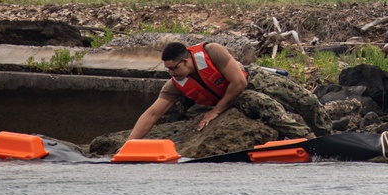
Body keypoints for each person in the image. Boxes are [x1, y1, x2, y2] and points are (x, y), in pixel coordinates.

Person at [127, 41, 331, 140]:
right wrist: (129, 146)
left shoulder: (211, 51)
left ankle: (328, 137)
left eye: (174, 68)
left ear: (186, 60)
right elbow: (152, 114)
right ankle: (307, 140)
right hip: (233, 98)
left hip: (248, 81)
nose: (171, 74)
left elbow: (239, 83)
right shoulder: (174, 84)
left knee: (308, 101)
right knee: (268, 107)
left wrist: (216, 110)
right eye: (168, 70)